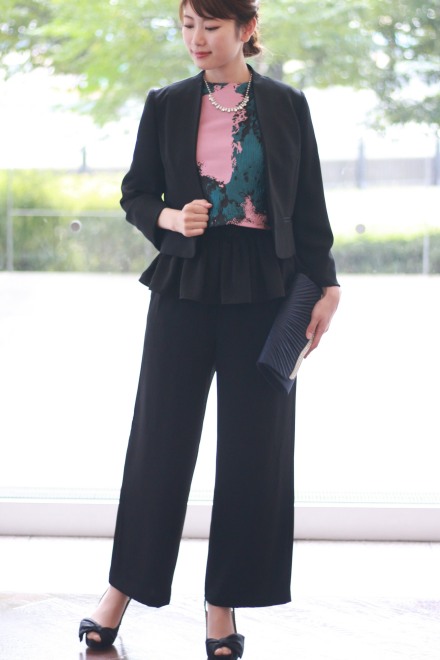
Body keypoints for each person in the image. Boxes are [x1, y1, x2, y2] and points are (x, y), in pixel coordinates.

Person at [79, 0, 340, 657]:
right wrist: (171, 219)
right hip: (185, 283)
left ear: (246, 30)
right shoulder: (166, 103)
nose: (196, 39)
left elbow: (308, 202)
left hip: (267, 287)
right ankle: (120, 591)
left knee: (255, 450)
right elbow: (136, 193)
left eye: (211, 26)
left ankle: (222, 604)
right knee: (159, 442)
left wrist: (328, 286)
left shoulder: (286, 105)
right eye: (187, 25)